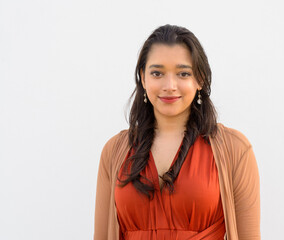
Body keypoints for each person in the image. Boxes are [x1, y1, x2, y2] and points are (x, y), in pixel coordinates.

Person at [94, 24, 260, 240]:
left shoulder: (235, 149)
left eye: (183, 73)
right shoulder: (114, 151)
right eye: (157, 73)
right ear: (143, 78)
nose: (170, 85)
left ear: (199, 79)